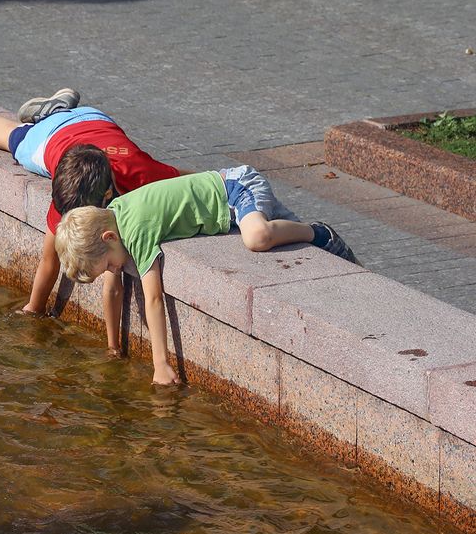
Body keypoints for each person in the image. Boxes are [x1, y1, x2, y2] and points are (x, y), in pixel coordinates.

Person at [53, 165, 359, 385]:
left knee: (257, 237)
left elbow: (154, 298)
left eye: (108, 264)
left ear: (108, 238)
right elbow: (112, 289)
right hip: (228, 192)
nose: (113, 270)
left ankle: (318, 232)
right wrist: (113, 348)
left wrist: (160, 364)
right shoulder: (114, 216)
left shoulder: (136, 231)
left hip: (236, 188)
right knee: (263, 232)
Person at [0, 89, 186, 355]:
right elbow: (49, 259)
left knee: (13, 137)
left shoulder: (139, 173)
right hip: (54, 137)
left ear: (108, 195)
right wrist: (34, 309)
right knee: (15, 141)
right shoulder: (66, 196)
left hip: (94, 120)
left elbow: (186, 180)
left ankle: (33, 113)